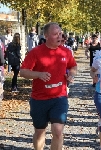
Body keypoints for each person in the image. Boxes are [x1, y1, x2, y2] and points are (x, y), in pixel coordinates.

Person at [20, 22, 77, 150]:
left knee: (57, 131)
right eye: (55, 34)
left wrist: (71, 75)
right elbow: (23, 71)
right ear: (46, 36)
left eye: (60, 34)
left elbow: (73, 66)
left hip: (59, 97)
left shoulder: (66, 52)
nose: (59, 37)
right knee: (40, 132)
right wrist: (38, 74)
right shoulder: (36, 52)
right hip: (39, 99)